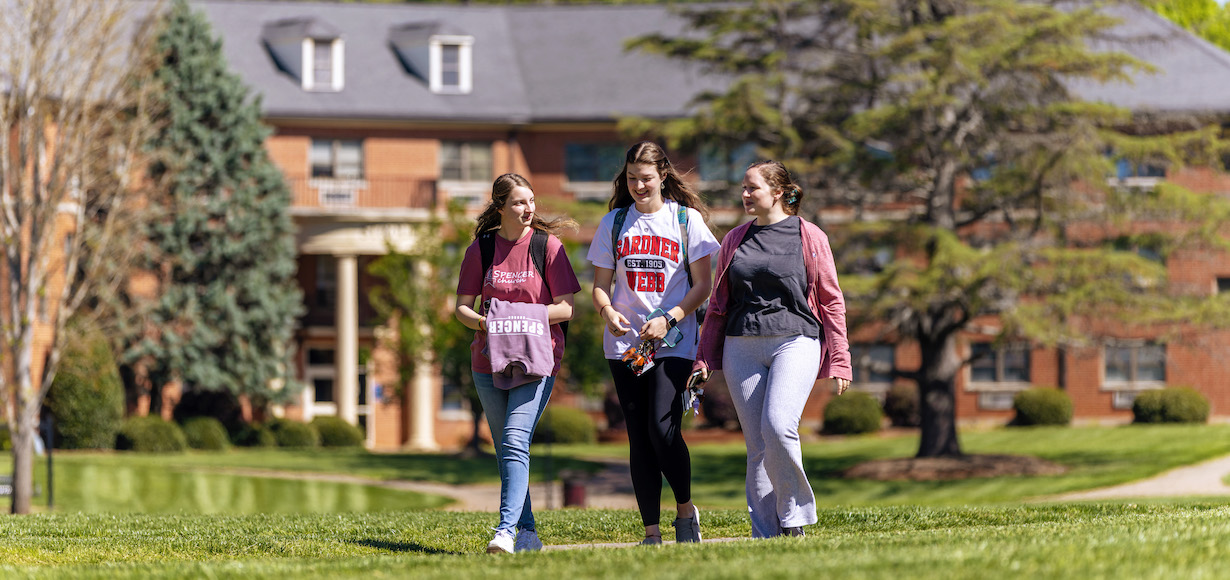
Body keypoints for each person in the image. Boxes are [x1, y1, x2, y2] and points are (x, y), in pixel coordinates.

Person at [693, 160, 853, 539]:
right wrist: (704, 357)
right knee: (758, 447)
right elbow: (718, 304)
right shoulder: (735, 239)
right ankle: (765, 535)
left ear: (778, 192)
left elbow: (831, 300)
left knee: (779, 426)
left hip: (795, 340)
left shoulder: (809, 236)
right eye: (744, 188)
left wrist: (840, 358)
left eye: (753, 188)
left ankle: (793, 518)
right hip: (741, 345)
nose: (745, 194)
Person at [587, 142, 720, 545]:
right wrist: (607, 312)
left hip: (674, 341)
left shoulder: (685, 220)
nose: (638, 186)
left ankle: (685, 512)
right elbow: (600, 286)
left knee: (662, 429)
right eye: (631, 178)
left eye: (645, 178)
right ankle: (651, 532)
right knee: (639, 438)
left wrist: (669, 319)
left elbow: (703, 286)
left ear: (662, 176)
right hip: (626, 347)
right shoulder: (614, 222)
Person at [455, 173, 582, 554]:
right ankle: (527, 533)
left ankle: (505, 531)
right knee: (508, 450)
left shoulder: (548, 247)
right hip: (488, 361)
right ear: (500, 207)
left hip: (537, 360)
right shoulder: (481, 249)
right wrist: (486, 323)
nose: (528, 209)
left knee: (514, 439)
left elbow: (566, 308)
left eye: (531, 201)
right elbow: (462, 307)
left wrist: (519, 317)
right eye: (519, 202)